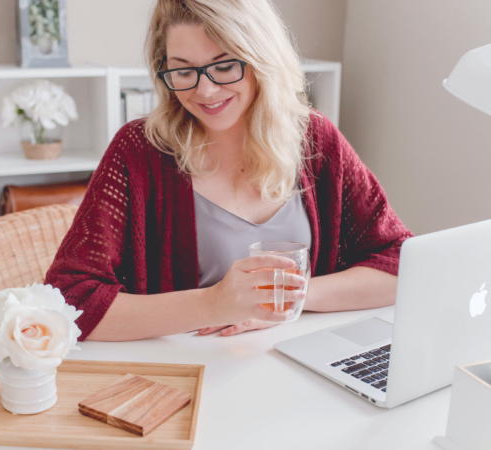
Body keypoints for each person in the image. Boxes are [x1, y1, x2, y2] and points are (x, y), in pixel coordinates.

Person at [45, 0, 413, 342]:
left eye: (224, 66)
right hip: (184, 381)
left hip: (297, 365)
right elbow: (68, 299)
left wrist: (284, 298)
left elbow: (402, 263)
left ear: (262, 58)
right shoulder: (139, 151)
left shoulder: (316, 140)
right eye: (184, 70)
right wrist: (212, 304)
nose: (205, 90)